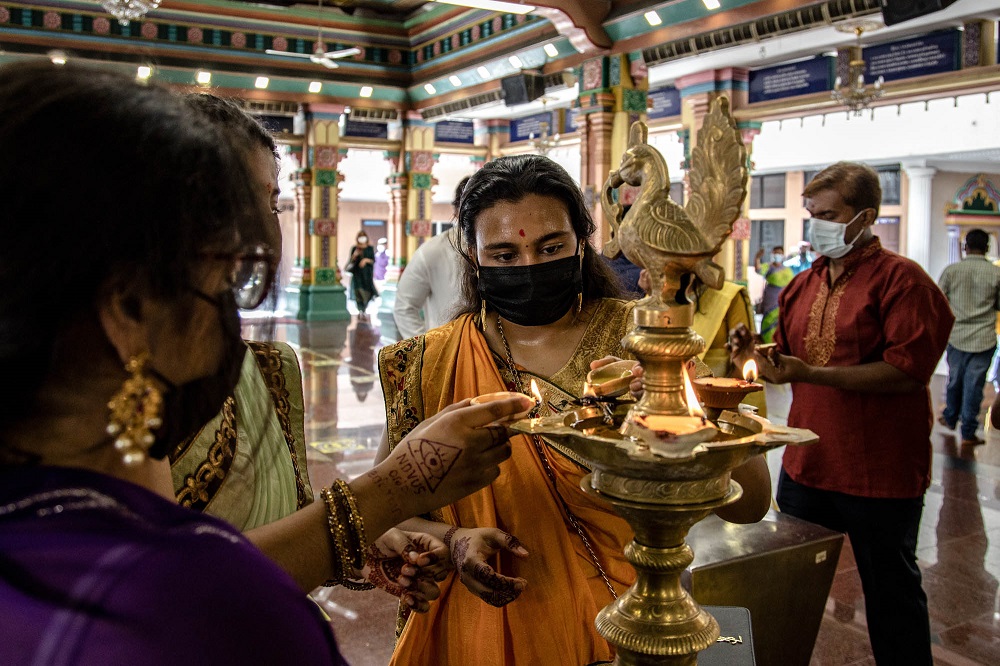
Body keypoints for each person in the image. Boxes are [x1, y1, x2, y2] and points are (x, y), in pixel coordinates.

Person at [0, 62, 535, 664]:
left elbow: (271, 521)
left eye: (267, 209)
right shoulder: (197, 607)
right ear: (127, 303)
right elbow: (195, 575)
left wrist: (373, 534)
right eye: (216, 233)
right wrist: (397, 485)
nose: (255, 248)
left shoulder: (250, 377)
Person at [375, 155, 772, 665]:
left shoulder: (646, 338)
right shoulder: (429, 363)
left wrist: (674, 416)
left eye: (550, 247)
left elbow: (751, 503)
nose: (528, 266)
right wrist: (450, 540)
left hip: (631, 619)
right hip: (473, 630)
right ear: (473, 258)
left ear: (583, 243)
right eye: (504, 254)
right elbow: (383, 506)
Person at [729, 161, 953, 666]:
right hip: (809, 463)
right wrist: (755, 354)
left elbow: (906, 372)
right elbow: (787, 360)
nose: (815, 226)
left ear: (865, 216)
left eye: (827, 214)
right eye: (811, 213)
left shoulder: (903, 282)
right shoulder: (803, 286)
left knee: (890, 592)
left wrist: (808, 372)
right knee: (791, 586)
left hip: (879, 471)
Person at [937, 228, 1000, 446]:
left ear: (965, 247)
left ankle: (951, 417)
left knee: (955, 379)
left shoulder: (952, 271)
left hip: (956, 336)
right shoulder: (996, 274)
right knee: (974, 385)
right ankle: (968, 431)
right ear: (987, 248)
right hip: (984, 338)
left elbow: (938, 302)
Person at [393, 176, 470, 338]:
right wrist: (427, 350)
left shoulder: (505, 252)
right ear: (455, 211)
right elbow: (404, 307)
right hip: (447, 354)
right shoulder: (432, 251)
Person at [754, 244, 793, 343]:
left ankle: (779, 343)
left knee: (782, 321)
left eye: (780, 253)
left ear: (783, 255)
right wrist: (757, 258)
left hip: (785, 299)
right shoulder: (769, 267)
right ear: (772, 254)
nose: (777, 255)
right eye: (776, 253)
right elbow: (758, 269)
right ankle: (768, 342)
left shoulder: (788, 270)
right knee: (769, 319)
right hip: (771, 299)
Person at [348, 230, 378, 317]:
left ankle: (364, 308)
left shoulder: (370, 248)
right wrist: (355, 255)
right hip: (357, 274)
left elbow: (373, 260)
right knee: (358, 292)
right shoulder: (355, 248)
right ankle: (360, 309)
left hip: (367, 274)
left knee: (367, 292)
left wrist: (365, 260)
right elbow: (351, 261)